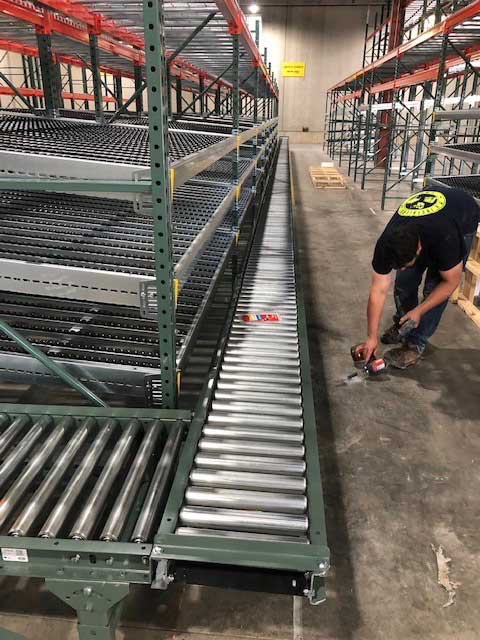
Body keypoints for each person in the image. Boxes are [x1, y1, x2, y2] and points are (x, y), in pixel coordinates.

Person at [362, 186, 479, 369]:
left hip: (462, 213)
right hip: (429, 217)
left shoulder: (445, 239)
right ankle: (404, 325)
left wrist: (420, 310)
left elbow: (451, 282)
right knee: (404, 282)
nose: (399, 268)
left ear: (418, 249)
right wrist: (371, 336)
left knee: (433, 288)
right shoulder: (387, 242)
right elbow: (378, 289)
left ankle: (415, 343)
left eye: (404, 264)